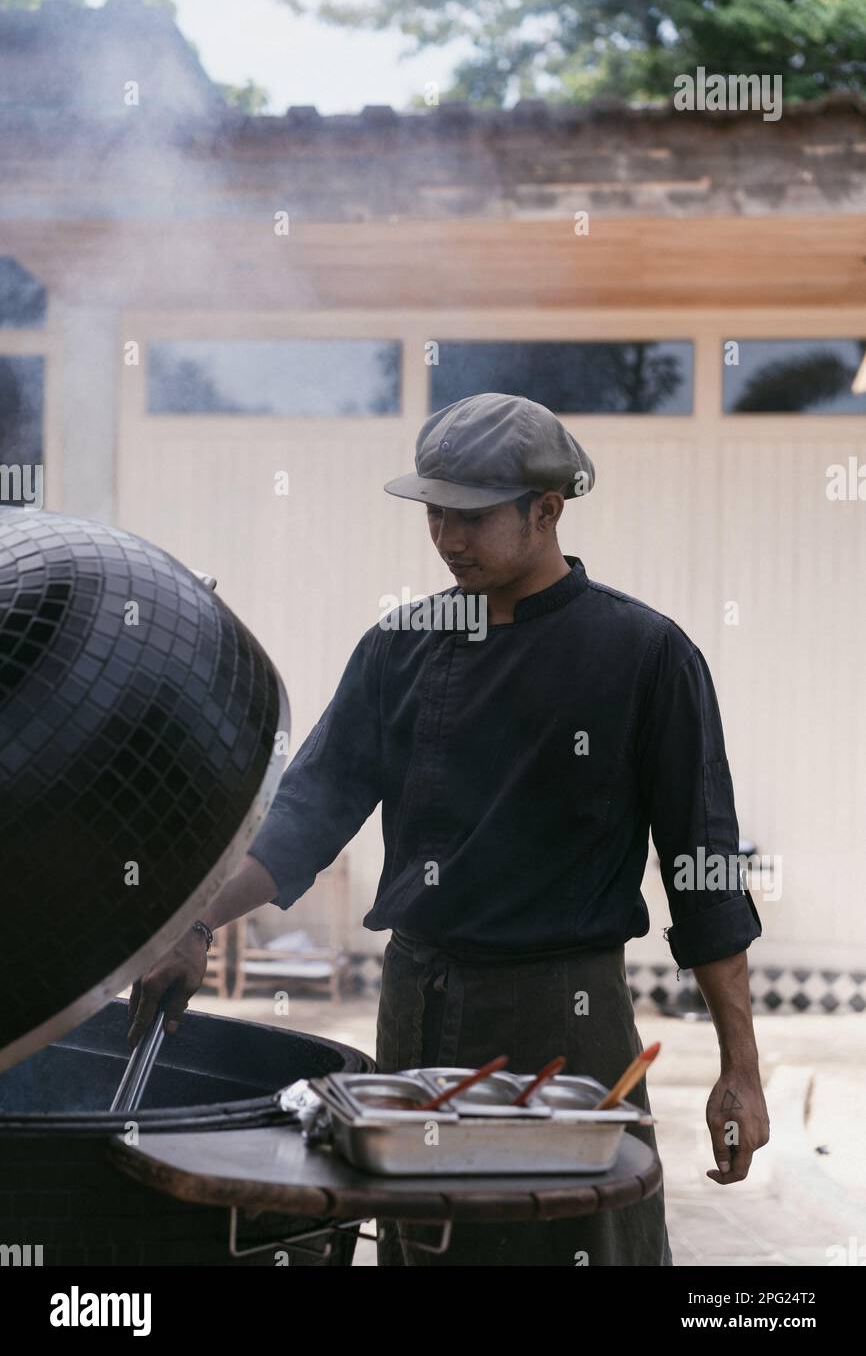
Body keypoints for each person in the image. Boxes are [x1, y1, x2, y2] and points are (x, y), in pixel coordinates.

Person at [129, 392, 769, 1266]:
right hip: (418, 1015)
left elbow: (705, 876)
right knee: (426, 1249)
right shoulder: (400, 648)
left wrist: (741, 1068)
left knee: (570, 1247)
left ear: (547, 509)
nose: (446, 538)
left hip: (566, 1024)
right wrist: (196, 923)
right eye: (434, 513)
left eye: (469, 517)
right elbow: (308, 814)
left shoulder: (644, 655)